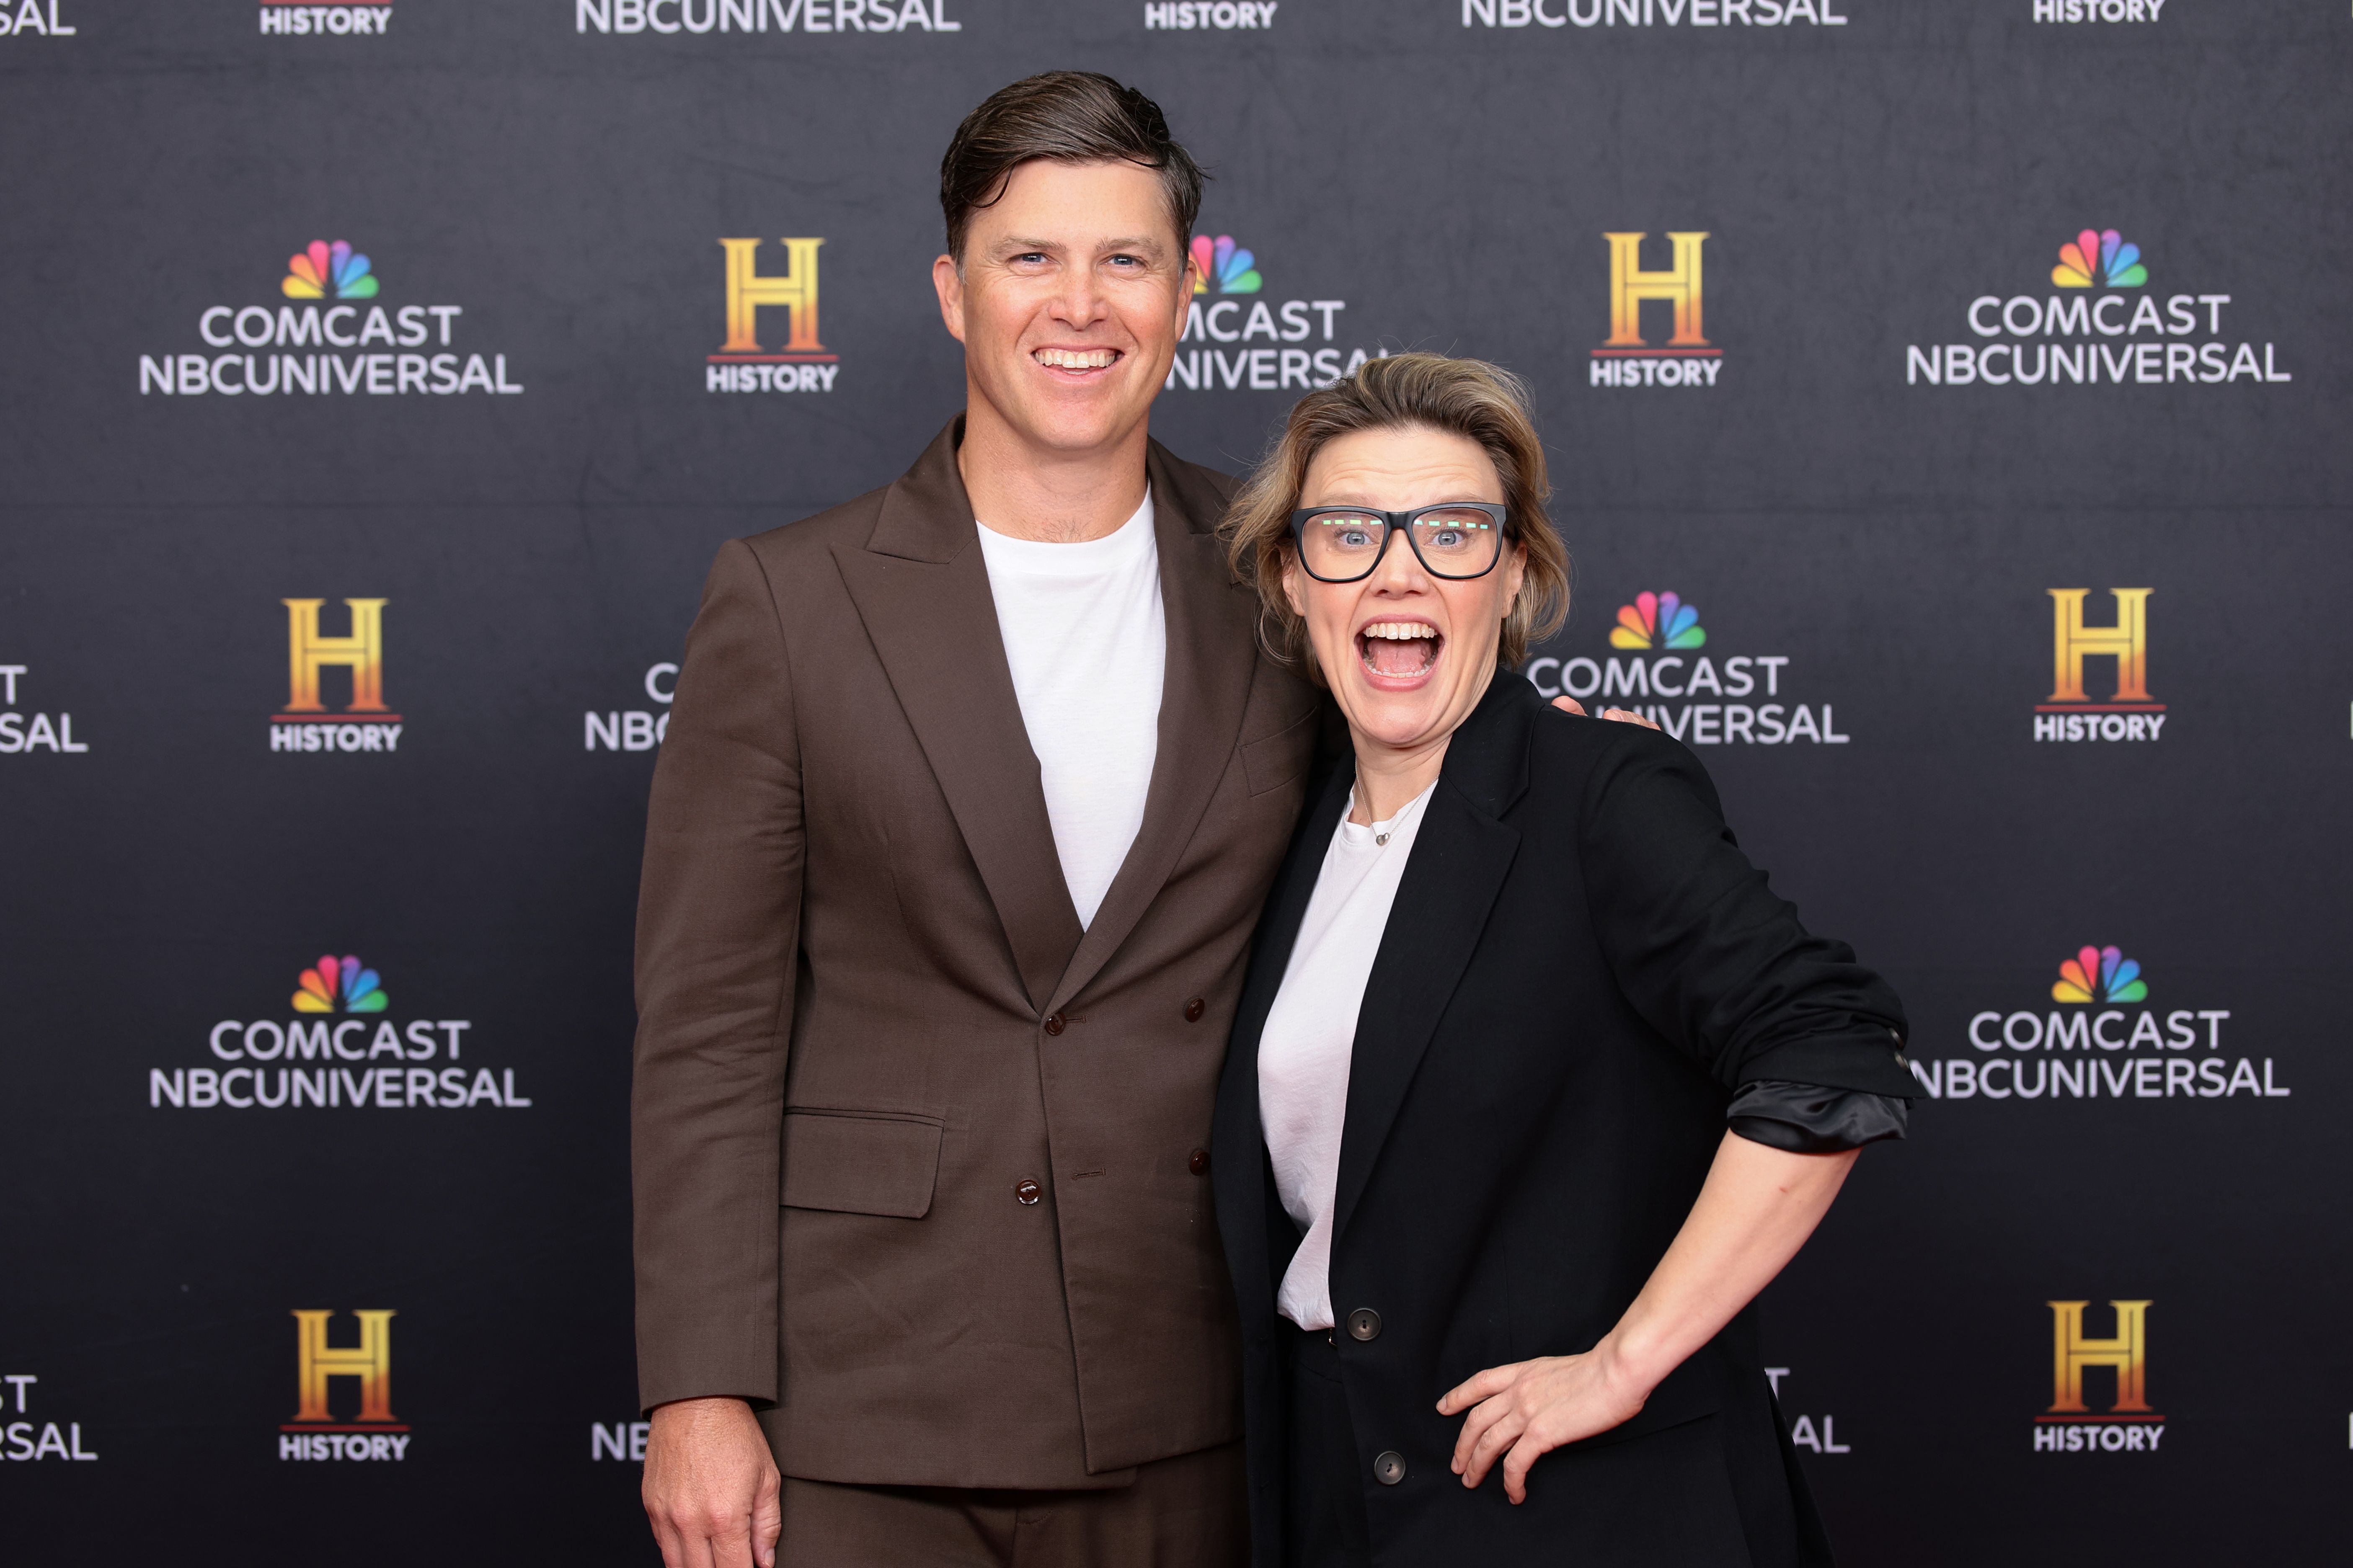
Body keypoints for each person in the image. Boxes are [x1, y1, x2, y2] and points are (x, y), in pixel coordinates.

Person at [1207, 353, 1918, 1567]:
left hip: (1580, 1509)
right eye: (1347, 532)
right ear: (1292, 575)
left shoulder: (1598, 794)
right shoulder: (1291, 833)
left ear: (1516, 575)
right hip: (1340, 1490)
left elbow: (1832, 1051)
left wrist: (1623, 1362)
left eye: (1452, 533)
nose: (1397, 570)